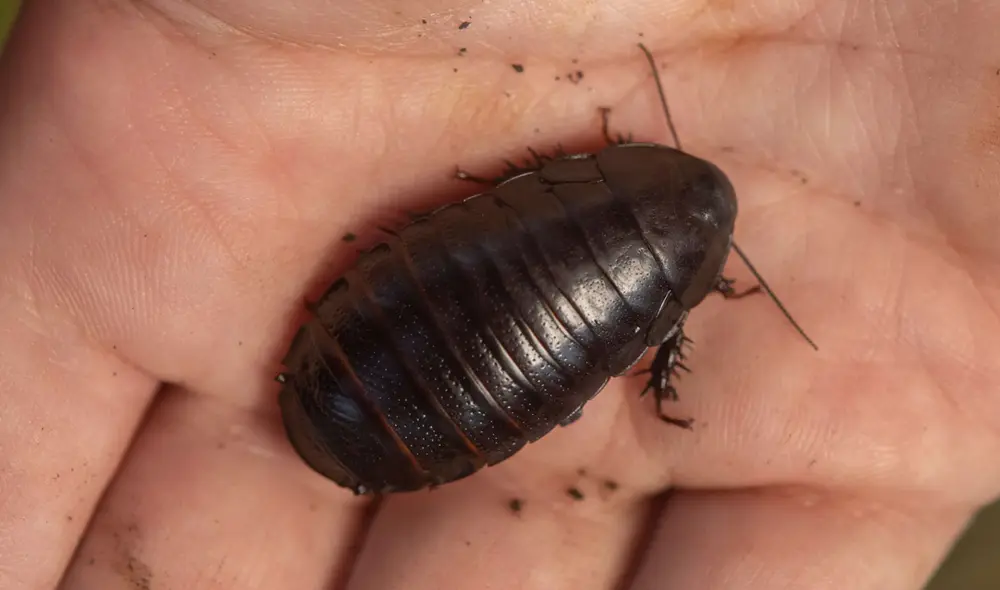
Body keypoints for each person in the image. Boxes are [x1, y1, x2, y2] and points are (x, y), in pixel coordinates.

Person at [2, 2, 998, 589]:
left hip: (383, 360)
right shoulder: (662, 310)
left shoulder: (562, 187)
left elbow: (506, 201)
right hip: (389, 384)